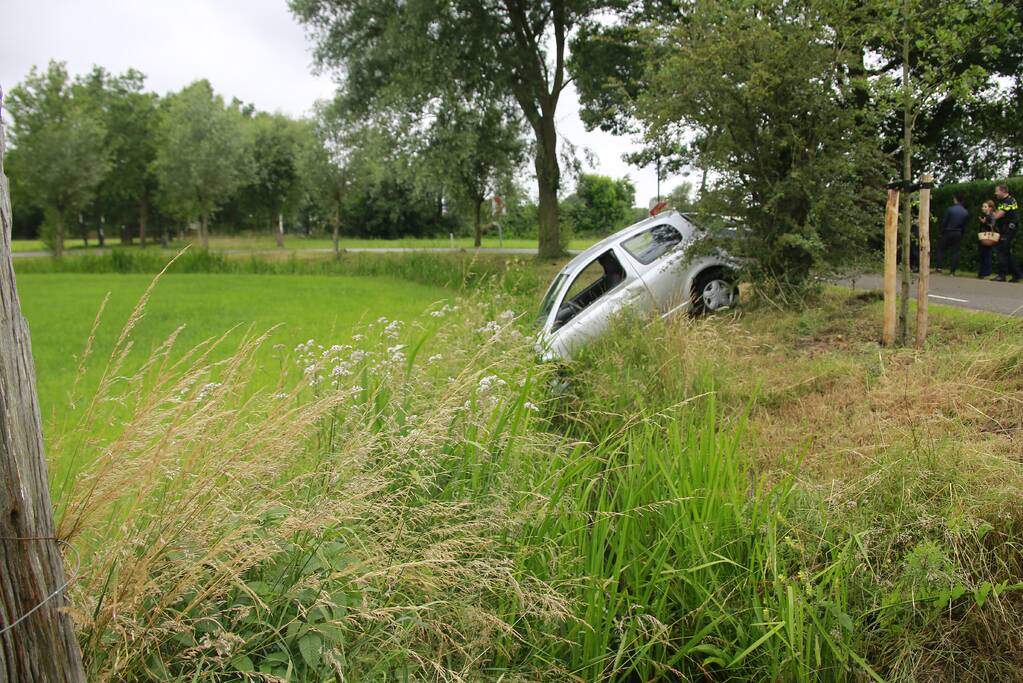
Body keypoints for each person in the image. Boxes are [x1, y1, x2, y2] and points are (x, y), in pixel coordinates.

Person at [992, 183, 1021, 282]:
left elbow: (997, 215)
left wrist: (990, 213)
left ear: (1003, 191)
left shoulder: (1007, 201)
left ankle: (1002, 274)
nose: (995, 193)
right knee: (1006, 252)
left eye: (997, 191)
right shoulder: (1007, 200)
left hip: (1008, 229)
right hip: (1008, 228)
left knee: (1002, 250)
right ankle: (1017, 274)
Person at [935, 193, 968, 274]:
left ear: (956, 199)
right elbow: (964, 225)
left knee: (941, 249)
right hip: (958, 232)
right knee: (955, 251)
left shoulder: (950, 209)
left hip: (948, 231)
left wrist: (941, 232)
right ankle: (952, 270)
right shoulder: (965, 212)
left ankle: (939, 267)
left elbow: (944, 222)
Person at [978, 199, 996, 278]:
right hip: (983, 237)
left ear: (990, 208)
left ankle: (986, 272)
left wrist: (984, 222)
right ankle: (982, 272)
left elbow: (993, 225)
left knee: (986, 254)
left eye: (985, 206)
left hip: (987, 237)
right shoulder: (985, 215)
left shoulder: (992, 216)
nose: (983, 208)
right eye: (983, 206)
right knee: (983, 254)